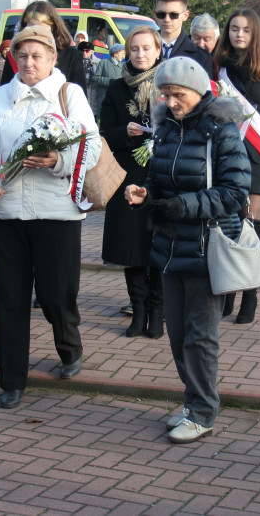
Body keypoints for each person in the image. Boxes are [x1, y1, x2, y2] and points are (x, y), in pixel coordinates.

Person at [0, 24, 101, 410]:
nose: (29, 63)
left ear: (52, 58)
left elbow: (90, 145)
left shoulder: (69, 94)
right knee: (10, 298)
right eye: (22, 56)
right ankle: (12, 379)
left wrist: (58, 160)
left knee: (55, 295)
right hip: (7, 213)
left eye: (37, 56)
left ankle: (69, 347)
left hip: (56, 214)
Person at [124, 56, 250, 444]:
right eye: (165, 94)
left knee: (200, 336)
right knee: (178, 334)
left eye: (177, 94)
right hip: (170, 243)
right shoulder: (165, 130)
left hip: (208, 247)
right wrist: (146, 194)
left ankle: (202, 411)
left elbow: (235, 192)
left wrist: (183, 206)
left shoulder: (222, 131)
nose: (170, 101)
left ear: (197, 92)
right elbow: (160, 182)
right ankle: (193, 400)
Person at [214, 8, 260, 324]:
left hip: (259, 157)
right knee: (226, 223)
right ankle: (228, 293)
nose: (239, 34)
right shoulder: (219, 66)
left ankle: (250, 296)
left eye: (245, 29)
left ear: (255, 32)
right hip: (225, 155)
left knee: (249, 226)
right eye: (233, 28)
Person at [99, 26, 164, 337]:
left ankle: (158, 311)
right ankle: (138, 310)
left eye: (147, 48)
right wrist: (125, 132)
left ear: (158, 51)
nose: (140, 54)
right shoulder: (115, 87)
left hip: (162, 177)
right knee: (132, 247)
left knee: (159, 246)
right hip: (126, 178)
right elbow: (105, 133)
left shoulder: (169, 84)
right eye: (135, 48)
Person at [0, 1, 87, 90]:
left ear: (53, 28)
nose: (37, 33)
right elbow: (5, 93)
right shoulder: (14, 56)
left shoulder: (72, 56)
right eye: (32, 28)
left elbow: (80, 96)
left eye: (42, 28)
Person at [154, 0, 213, 76]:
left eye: (174, 15)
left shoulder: (201, 57)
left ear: (185, 15)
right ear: (155, 14)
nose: (167, 19)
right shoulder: (139, 48)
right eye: (161, 14)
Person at [91, 42, 125, 115]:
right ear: (115, 54)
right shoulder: (103, 63)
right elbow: (96, 78)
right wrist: (109, 82)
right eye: (122, 54)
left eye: (124, 54)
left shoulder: (123, 66)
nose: (123, 57)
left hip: (118, 98)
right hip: (104, 97)